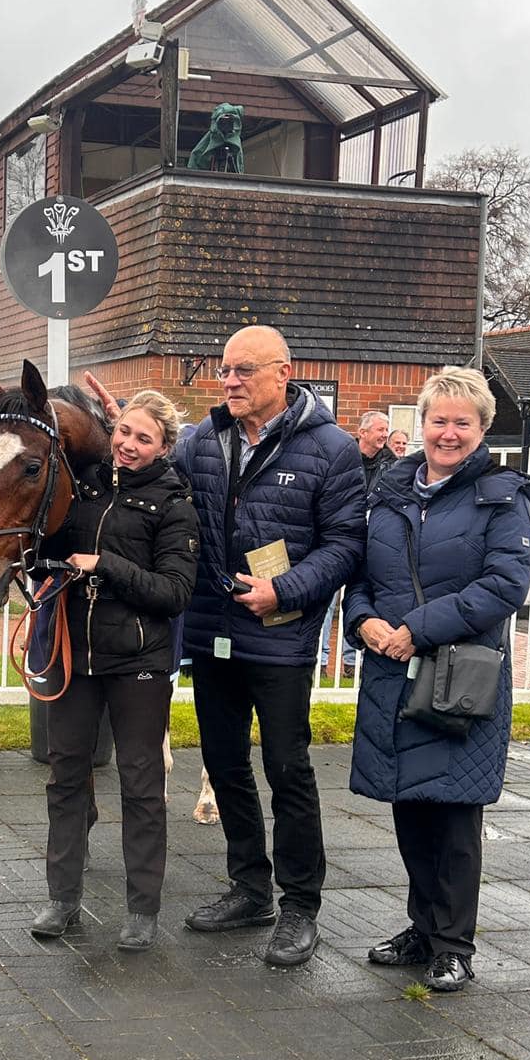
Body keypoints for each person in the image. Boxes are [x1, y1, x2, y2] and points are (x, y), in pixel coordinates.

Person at [178, 325, 365, 967]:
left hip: (280, 639)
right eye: (225, 369)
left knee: (287, 769)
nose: (229, 381)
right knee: (224, 763)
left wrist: (283, 591)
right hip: (212, 633)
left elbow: (345, 544)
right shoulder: (201, 441)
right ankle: (249, 888)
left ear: (283, 373)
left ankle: (301, 906)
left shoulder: (332, 448)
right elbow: (158, 499)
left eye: (244, 371)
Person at [345, 367, 530, 991]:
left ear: (482, 429)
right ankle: (423, 928)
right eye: (438, 420)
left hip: (458, 677)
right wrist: (364, 621)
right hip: (393, 671)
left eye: (462, 422)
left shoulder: (502, 497)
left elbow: (505, 583)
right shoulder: (391, 493)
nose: (448, 433)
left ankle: (455, 944)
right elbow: (366, 577)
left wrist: (417, 628)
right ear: (420, 424)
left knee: (454, 818)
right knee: (410, 807)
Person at [29, 390, 199, 952]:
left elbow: (173, 592)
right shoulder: (87, 485)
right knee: (66, 775)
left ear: (165, 447)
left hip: (139, 664)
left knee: (142, 782)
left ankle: (142, 909)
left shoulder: (175, 504)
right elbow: (47, 541)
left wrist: (108, 566)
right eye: (124, 432)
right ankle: (62, 898)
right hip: (75, 658)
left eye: (143, 438)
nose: (127, 445)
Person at [320, 410, 395, 673]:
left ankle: (351, 662)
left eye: (387, 429)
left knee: (362, 598)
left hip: (371, 542)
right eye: (379, 429)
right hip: (337, 539)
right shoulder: (341, 457)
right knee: (326, 600)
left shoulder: (392, 465)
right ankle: (322, 660)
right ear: (362, 432)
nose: (385, 434)